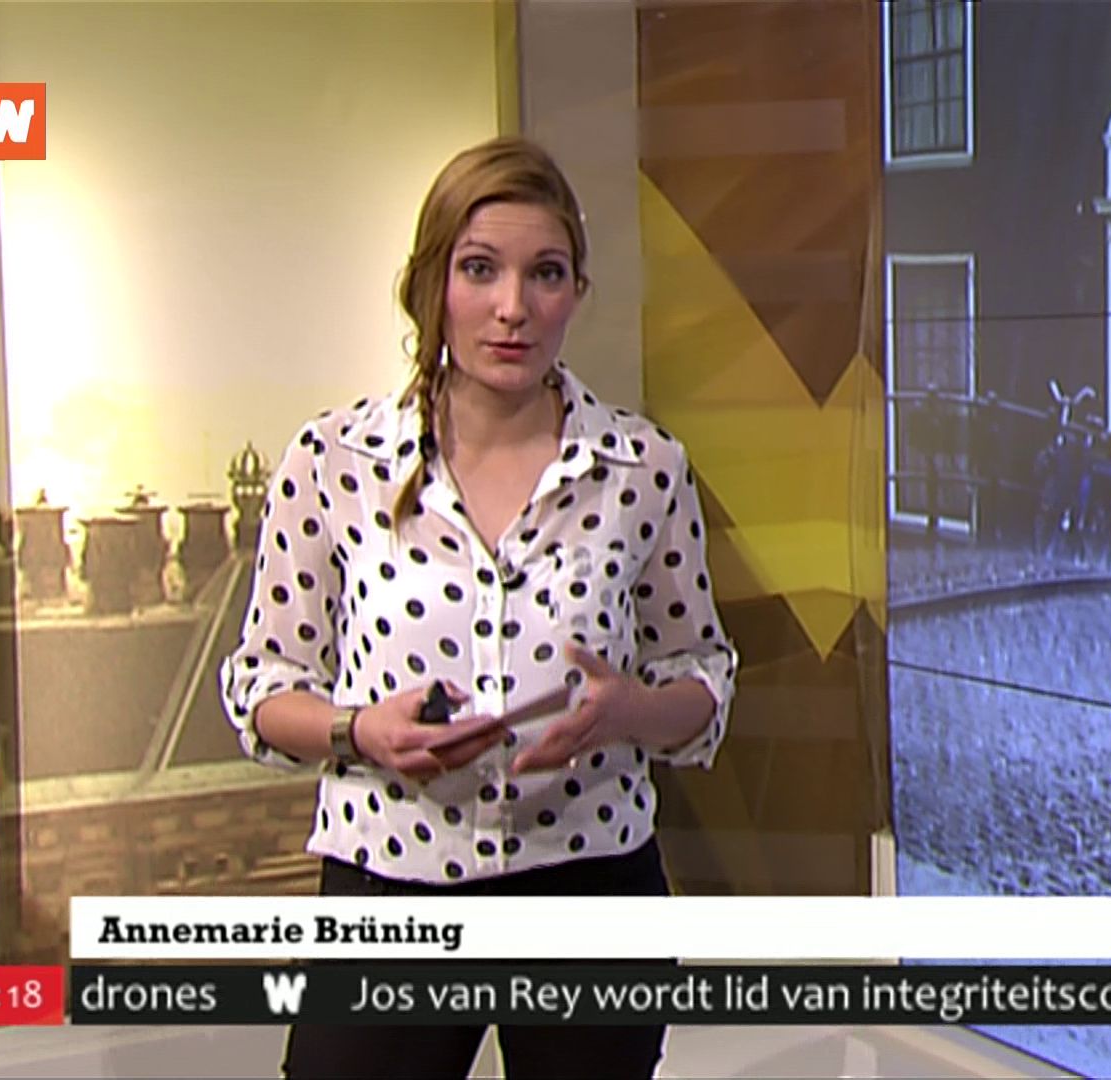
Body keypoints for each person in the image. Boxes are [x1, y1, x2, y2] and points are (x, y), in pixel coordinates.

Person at [219, 135, 738, 1080]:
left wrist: (630, 709)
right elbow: (262, 685)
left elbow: (700, 675)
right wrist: (361, 731)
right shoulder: (333, 463)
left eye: (546, 273)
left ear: (577, 289)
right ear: (432, 284)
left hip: (591, 892)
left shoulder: (644, 469)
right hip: (392, 892)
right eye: (480, 269)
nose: (513, 308)